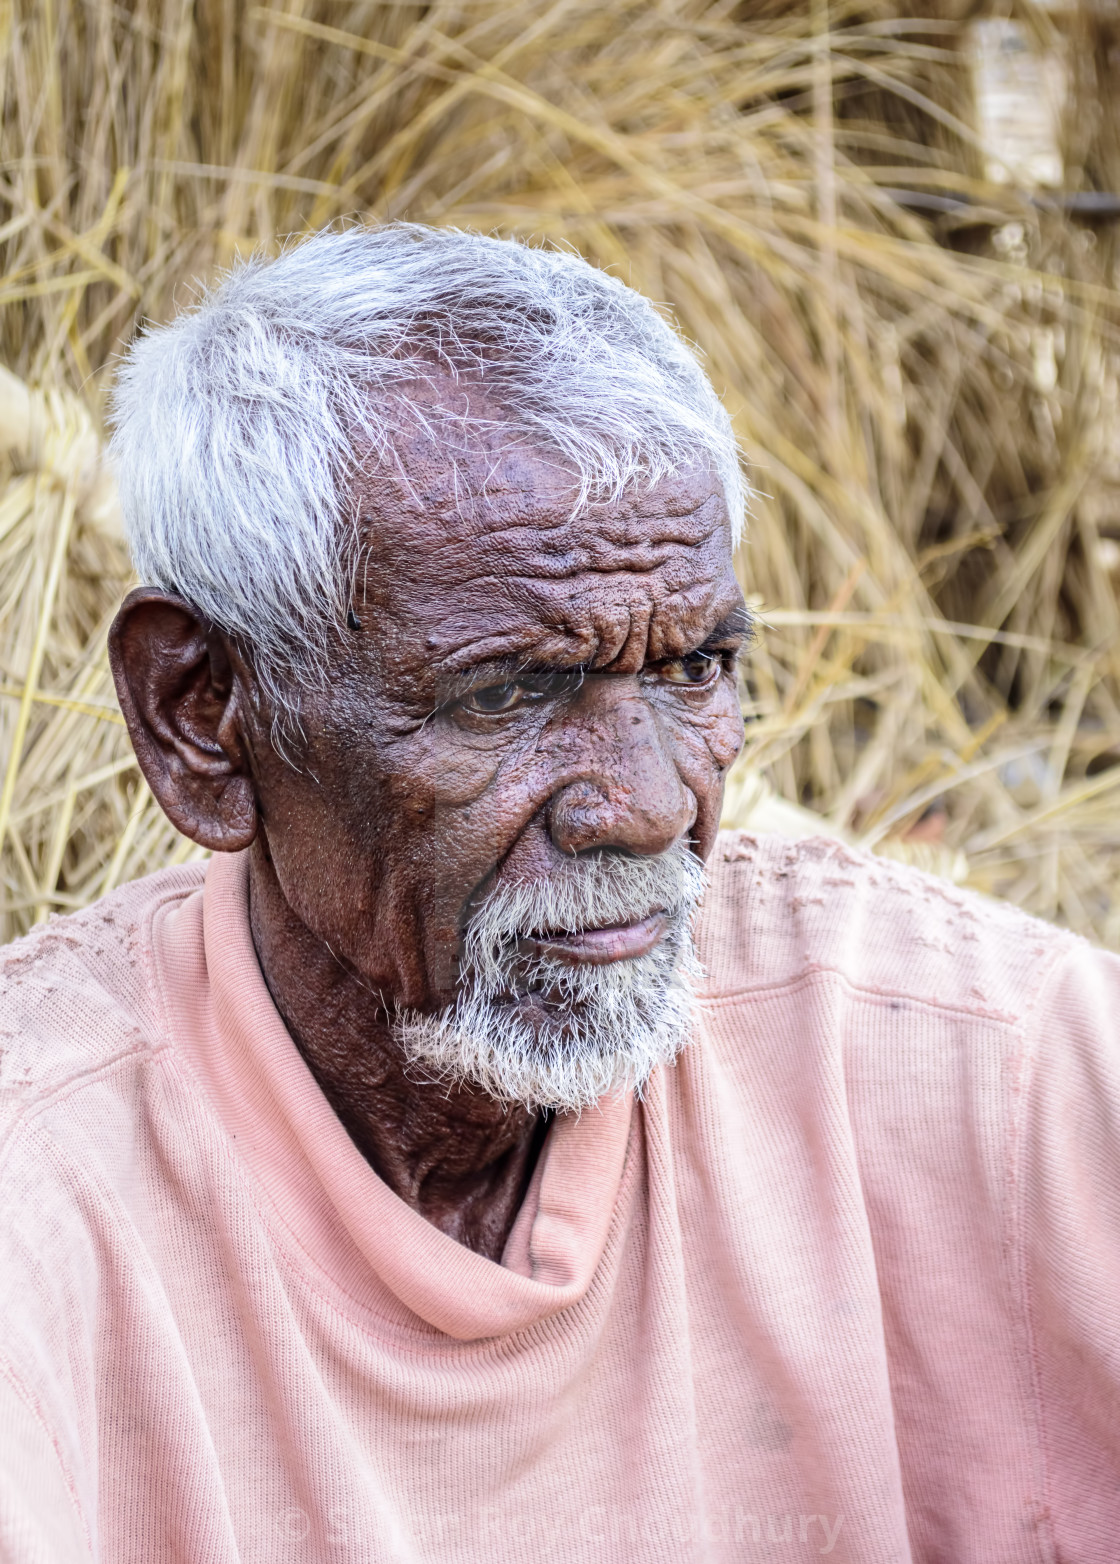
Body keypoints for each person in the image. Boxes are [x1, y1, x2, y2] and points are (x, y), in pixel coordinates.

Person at [1, 223, 1118, 1564]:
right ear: (204, 720)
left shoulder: (974, 1059)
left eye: (695, 668)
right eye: (507, 692)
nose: (647, 806)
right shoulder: (45, 1200)